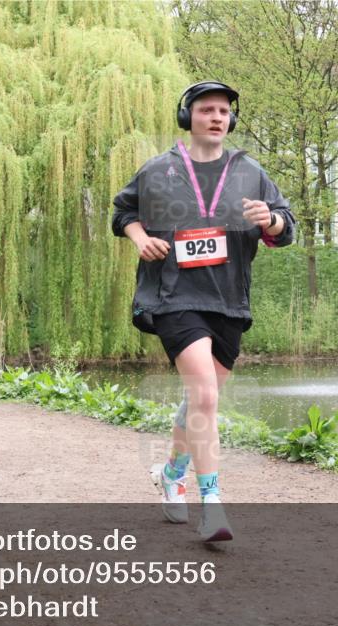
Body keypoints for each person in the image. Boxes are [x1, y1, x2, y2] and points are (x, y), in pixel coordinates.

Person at [112, 81, 297, 542]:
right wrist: (140, 238)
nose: (216, 117)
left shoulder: (249, 171)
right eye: (206, 109)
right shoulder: (158, 170)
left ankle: (172, 472)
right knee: (206, 396)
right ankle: (211, 503)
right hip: (174, 295)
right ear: (187, 117)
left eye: (223, 111)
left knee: (201, 399)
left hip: (229, 299)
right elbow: (122, 212)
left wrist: (270, 220)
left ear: (231, 120)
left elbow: (286, 227)